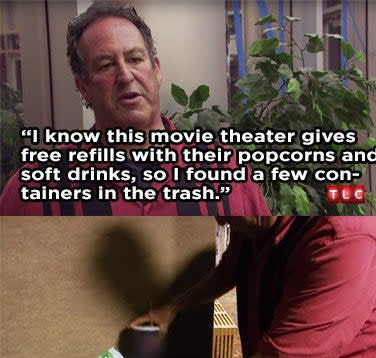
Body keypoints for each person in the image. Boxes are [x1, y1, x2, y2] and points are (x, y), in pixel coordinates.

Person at [0, 1, 270, 216]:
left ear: (157, 69)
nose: (126, 75)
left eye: (135, 59)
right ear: (83, 86)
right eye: (106, 65)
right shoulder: (34, 188)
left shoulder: (228, 171)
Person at [131, 216, 376, 358]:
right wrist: (170, 309)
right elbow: (227, 273)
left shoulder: (344, 236)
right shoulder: (249, 222)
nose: (221, 219)